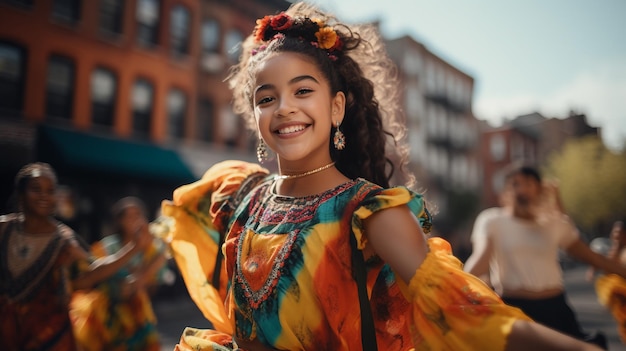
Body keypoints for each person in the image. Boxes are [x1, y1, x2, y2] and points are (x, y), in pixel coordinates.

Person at [159, 3, 604, 350]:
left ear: (336, 108)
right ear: (254, 112)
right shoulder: (236, 194)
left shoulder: (370, 213)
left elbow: (465, 312)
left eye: (303, 91)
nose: (284, 108)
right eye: (266, 97)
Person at [464, 165, 626, 349]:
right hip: (513, 308)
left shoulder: (555, 224)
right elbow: (480, 259)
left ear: (540, 189)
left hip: (556, 309)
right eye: (515, 184)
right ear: (506, 192)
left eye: (529, 183)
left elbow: (595, 259)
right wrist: (454, 288)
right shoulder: (492, 220)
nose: (522, 189)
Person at [0, 162, 153, 351]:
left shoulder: (64, 241)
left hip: (47, 336)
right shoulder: (3, 229)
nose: (43, 196)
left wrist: (135, 248)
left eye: (50, 191)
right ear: (20, 194)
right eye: (36, 189)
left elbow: (90, 274)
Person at [70, 196, 169, 351]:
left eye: (139, 215)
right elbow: (89, 279)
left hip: (138, 316)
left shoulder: (154, 249)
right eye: (129, 216)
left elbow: (152, 286)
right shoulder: (105, 247)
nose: (135, 220)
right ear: (119, 221)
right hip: (104, 317)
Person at [591, 220, 626, 344]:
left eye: (618, 232)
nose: (615, 235)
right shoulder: (616, 250)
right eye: (614, 232)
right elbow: (608, 268)